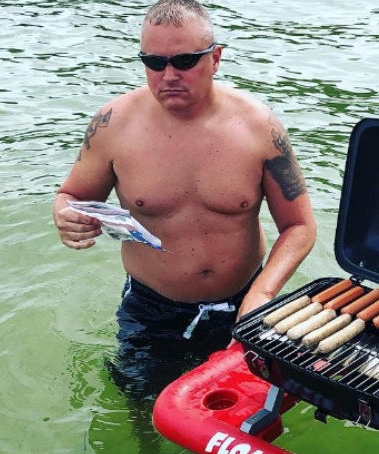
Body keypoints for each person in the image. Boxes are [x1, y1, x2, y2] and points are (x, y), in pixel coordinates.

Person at [52, 0, 316, 400]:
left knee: (243, 411)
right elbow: (72, 196)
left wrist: (261, 296)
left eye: (185, 61)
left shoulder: (259, 126)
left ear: (215, 59)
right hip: (150, 307)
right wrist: (65, 216)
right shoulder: (114, 125)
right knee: (142, 405)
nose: (169, 75)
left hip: (244, 300)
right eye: (154, 62)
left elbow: (299, 226)